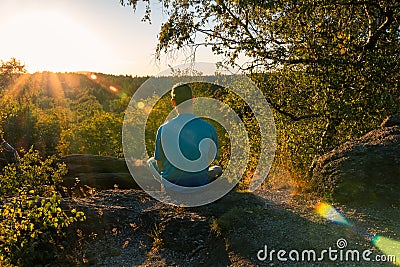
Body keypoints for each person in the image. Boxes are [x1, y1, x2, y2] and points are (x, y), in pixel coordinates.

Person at [147, 83, 222, 189]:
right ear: (192, 99)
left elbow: (160, 164)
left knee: (151, 161)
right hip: (200, 185)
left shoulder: (163, 128)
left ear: (173, 103)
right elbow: (210, 160)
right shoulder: (208, 127)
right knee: (217, 169)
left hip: (173, 187)